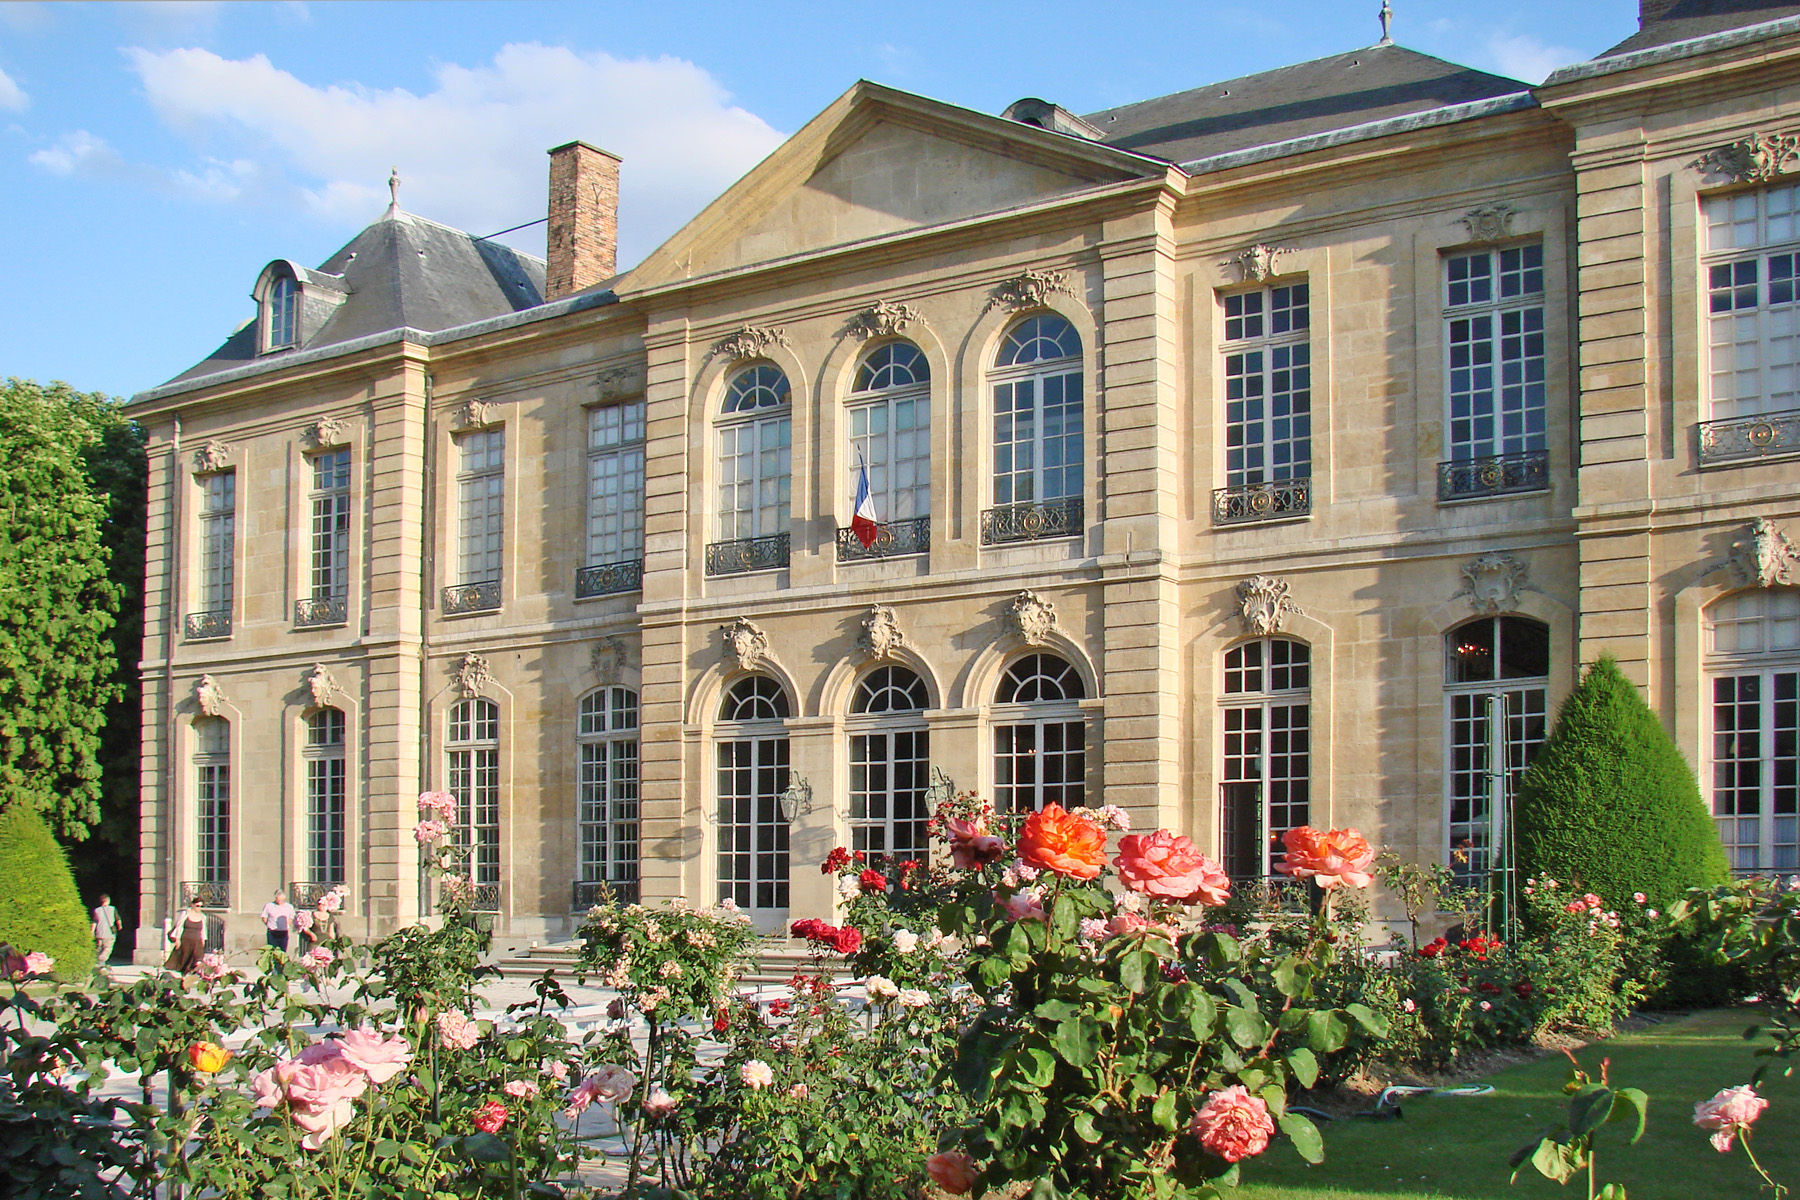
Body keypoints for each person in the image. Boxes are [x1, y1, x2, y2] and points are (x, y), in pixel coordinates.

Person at [164, 898, 206, 974]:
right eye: (197, 906)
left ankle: (192, 975)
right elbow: (179, 926)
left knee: (196, 961)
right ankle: (183, 975)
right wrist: (177, 939)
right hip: (185, 941)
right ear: (192, 905)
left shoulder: (203, 917)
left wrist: (203, 940)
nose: (199, 908)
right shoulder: (185, 914)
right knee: (184, 961)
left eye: (201, 906)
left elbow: (203, 930)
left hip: (197, 943)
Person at [91, 893, 121, 966]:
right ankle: (101, 960)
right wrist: (119, 926)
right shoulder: (113, 909)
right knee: (108, 948)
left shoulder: (97, 910)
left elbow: (94, 921)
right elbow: (118, 919)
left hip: (99, 933)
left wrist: (92, 931)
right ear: (108, 900)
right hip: (109, 933)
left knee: (99, 948)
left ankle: (96, 961)